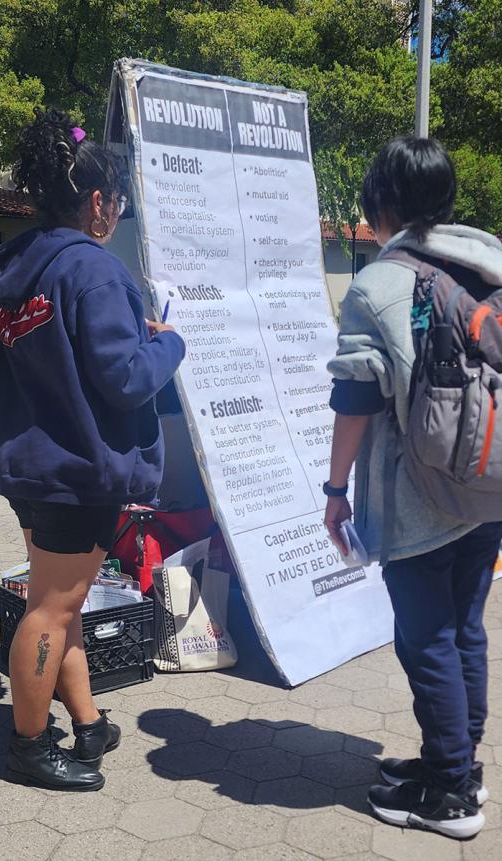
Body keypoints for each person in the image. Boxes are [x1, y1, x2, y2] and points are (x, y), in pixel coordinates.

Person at [0, 108, 185, 791]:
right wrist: (167, 343)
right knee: (55, 607)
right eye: (116, 202)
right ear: (96, 201)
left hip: (30, 464)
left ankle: (86, 720)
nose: (116, 215)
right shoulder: (92, 271)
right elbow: (124, 378)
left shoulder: (16, 271)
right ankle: (29, 746)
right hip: (78, 468)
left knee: (60, 596)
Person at [323, 136, 502, 839]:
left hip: (421, 495)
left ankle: (452, 794)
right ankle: (455, 762)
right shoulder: (488, 260)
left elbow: (356, 399)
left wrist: (335, 489)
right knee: (463, 629)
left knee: (425, 637)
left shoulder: (378, 283)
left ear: (382, 203)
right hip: (490, 482)